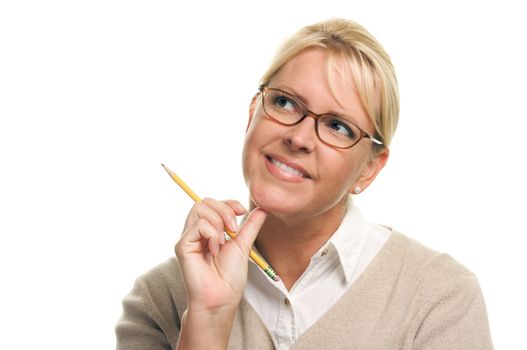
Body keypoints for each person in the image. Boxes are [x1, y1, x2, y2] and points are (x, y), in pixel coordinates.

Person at [115, 18, 493, 349]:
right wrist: (208, 318)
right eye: (284, 103)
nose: (298, 138)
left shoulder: (438, 297)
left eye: (337, 126)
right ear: (252, 113)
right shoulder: (158, 299)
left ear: (370, 169)